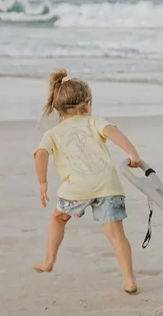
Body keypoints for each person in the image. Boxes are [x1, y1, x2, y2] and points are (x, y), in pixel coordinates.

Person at [31, 69, 142, 294]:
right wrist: (133, 155)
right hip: (108, 184)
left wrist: (43, 183)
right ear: (87, 104)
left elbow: (41, 155)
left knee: (59, 219)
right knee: (115, 233)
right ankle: (129, 279)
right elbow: (112, 132)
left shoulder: (53, 134)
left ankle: (49, 260)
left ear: (57, 107)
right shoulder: (94, 121)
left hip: (76, 188)